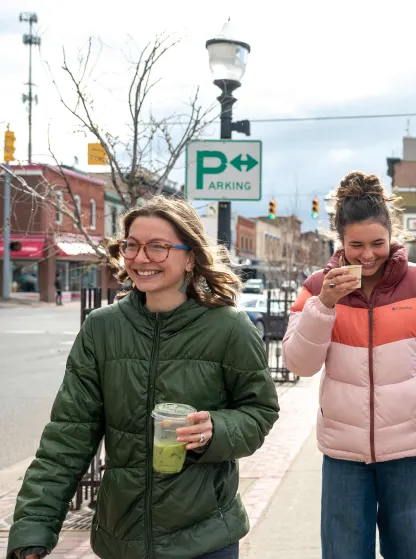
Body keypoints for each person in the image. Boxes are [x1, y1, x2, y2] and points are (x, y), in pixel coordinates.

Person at [6, 196, 280, 559]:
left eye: (158, 247)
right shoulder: (102, 329)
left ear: (190, 257)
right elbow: (68, 435)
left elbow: (259, 410)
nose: (140, 257)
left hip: (205, 537)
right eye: (131, 245)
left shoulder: (229, 328)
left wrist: (217, 428)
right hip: (121, 540)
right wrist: (34, 526)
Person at [282, 171, 416, 559]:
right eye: (356, 245)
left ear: (392, 237)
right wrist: (325, 304)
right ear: (340, 241)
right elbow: (299, 364)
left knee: (407, 552)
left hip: (411, 453)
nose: (367, 255)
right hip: (344, 455)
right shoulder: (316, 288)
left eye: (377, 243)